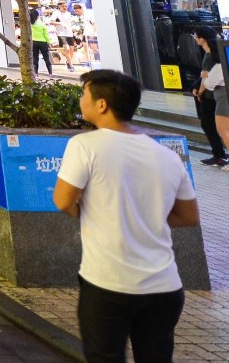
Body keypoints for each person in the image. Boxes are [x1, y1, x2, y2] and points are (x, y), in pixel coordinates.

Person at [54, 69, 199, 363]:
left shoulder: (85, 145)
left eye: (84, 94)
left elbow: (63, 200)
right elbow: (188, 216)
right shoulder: (167, 155)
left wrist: (97, 215)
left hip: (108, 285)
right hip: (165, 287)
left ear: (102, 105)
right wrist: (146, 219)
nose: (81, 100)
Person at [190, 28, 229, 167]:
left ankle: (220, 155)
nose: (195, 39)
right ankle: (220, 155)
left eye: (196, 36)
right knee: (210, 125)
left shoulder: (210, 55)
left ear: (203, 39)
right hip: (214, 95)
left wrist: (200, 91)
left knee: (209, 125)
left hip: (211, 95)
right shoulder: (212, 53)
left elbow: (207, 78)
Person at [30, 9, 54, 76]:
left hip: (34, 42)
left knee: (35, 58)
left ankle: (36, 74)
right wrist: (49, 42)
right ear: (38, 16)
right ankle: (50, 74)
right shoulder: (42, 24)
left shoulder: (30, 24)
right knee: (46, 58)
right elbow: (46, 34)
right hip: (43, 42)